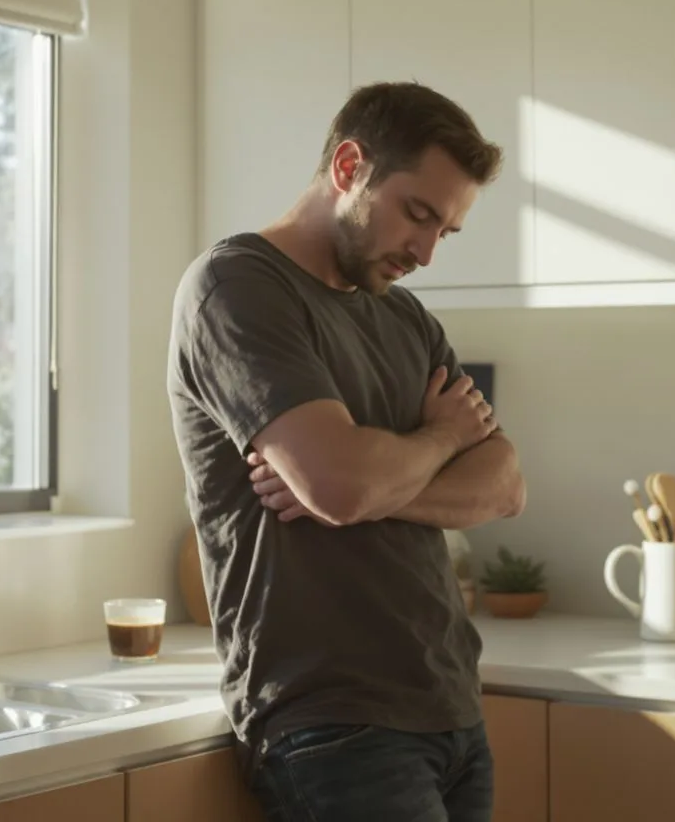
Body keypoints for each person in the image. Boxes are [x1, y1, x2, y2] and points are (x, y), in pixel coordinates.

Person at [166, 81, 528, 821]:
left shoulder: (406, 319)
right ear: (348, 167)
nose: (426, 251)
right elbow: (341, 481)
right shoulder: (236, 288)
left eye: (446, 232)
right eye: (417, 214)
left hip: (450, 702)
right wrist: (440, 439)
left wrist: (366, 486)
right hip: (332, 723)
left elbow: (504, 486)